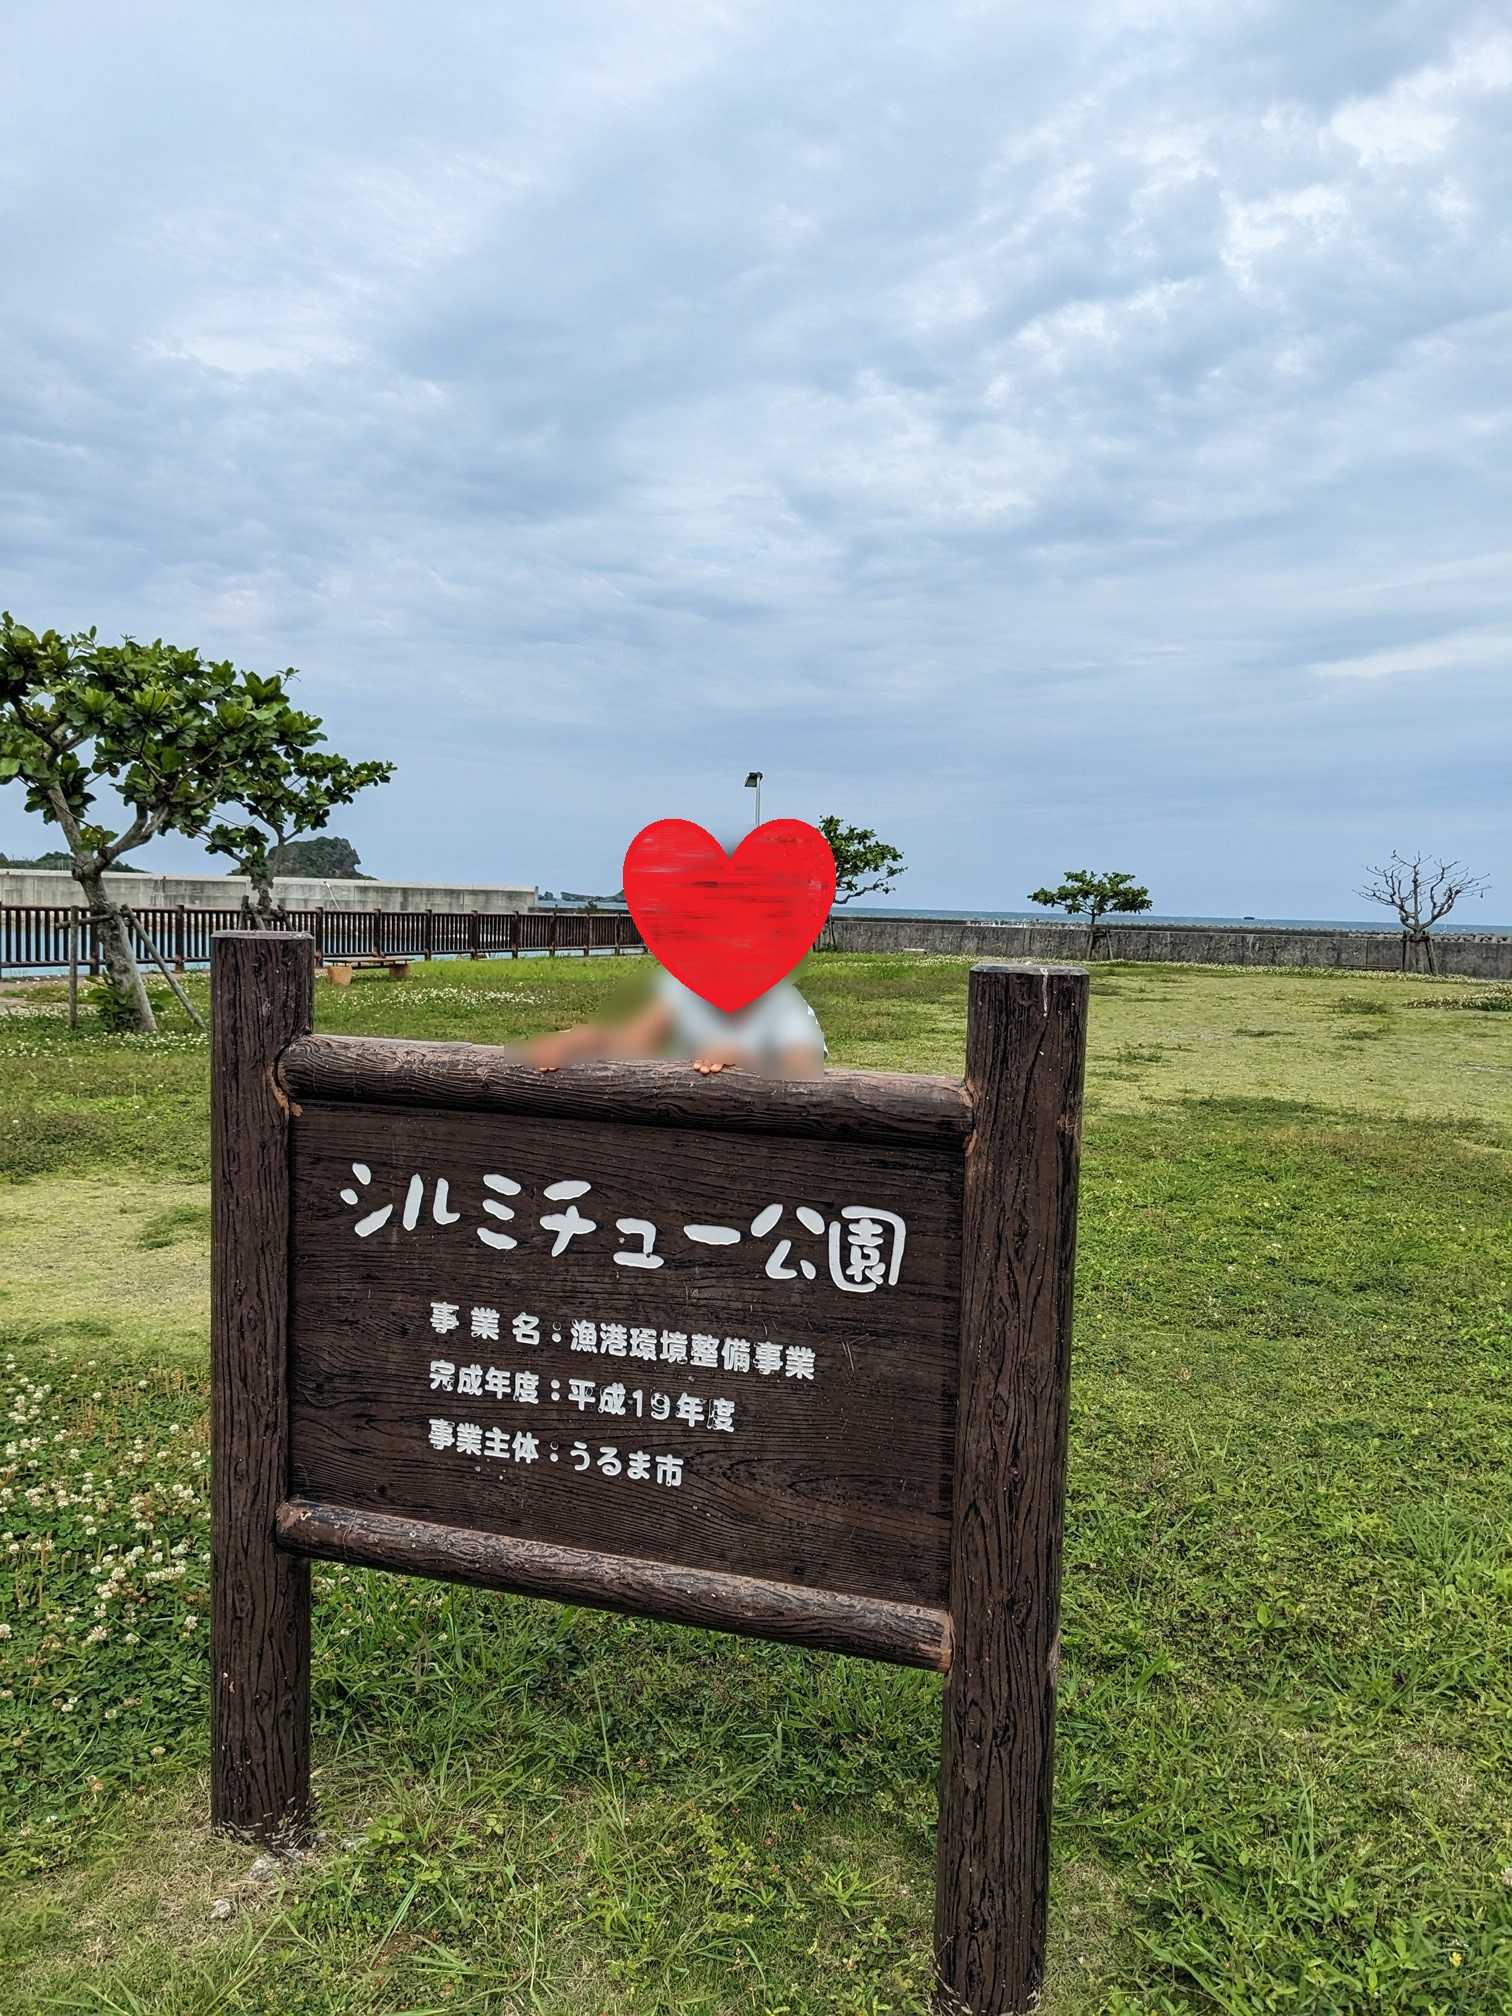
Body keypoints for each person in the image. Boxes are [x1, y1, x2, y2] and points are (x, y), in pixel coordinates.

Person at [524, 963, 827, 1077]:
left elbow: (807, 1066)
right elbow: (634, 1045)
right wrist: (590, 1040)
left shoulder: (781, 999)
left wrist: (748, 1059)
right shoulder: (683, 987)